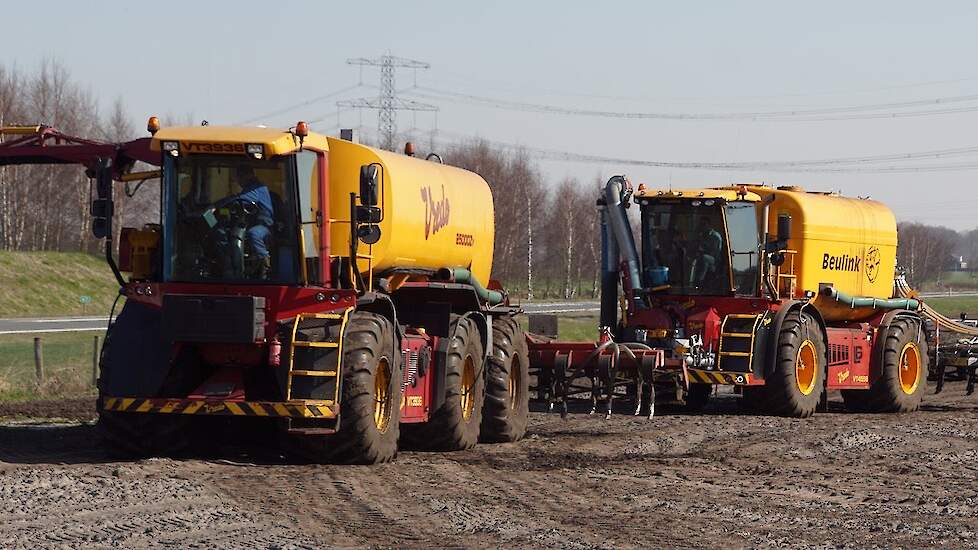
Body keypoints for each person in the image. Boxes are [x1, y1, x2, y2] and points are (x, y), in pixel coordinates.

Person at [218, 165, 275, 279]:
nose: (238, 181)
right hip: (250, 223)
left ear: (246, 175)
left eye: (239, 177)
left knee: (254, 234)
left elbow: (240, 199)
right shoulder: (249, 188)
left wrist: (216, 205)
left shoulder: (257, 188)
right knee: (224, 232)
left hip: (265, 226)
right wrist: (219, 210)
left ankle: (264, 265)